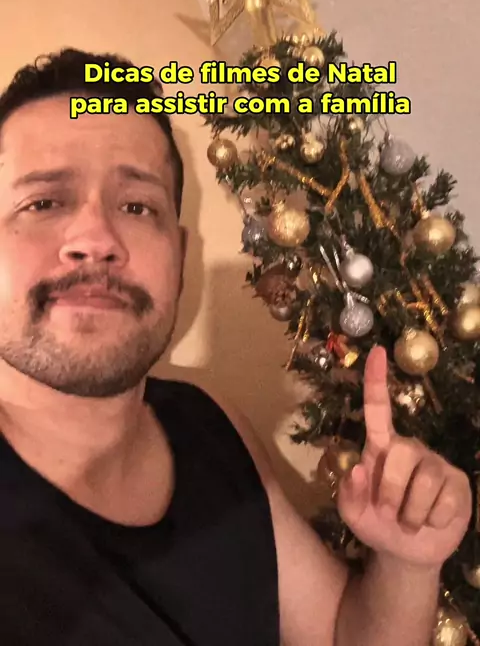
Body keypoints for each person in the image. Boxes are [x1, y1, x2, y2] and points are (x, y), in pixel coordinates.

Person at [0, 48, 472, 646]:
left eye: (137, 206)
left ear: (179, 258)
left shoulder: (211, 425)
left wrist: (408, 563)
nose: (95, 238)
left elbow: (339, 635)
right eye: (42, 203)